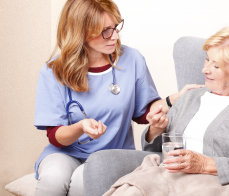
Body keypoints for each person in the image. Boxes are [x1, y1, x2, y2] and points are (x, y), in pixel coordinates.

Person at [84, 25, 229, 196]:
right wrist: (156, 129)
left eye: (216, 66)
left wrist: (204, 165)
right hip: (165, 176)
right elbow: (153, 150)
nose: (205, 69)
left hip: (214, 184)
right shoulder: (191, 96)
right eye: (207, 60)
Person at [33, 0, 200, 195]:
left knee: (82, 180)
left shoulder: (132, 59)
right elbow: (55, 136)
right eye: (105, 30)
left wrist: (174, 99)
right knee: (52, 179)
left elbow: (144, 113)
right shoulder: (53, 70)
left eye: (115, 27)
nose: (114, 35)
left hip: (112, 154)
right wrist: (80, 127)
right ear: (81, 32)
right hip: (66, 152)